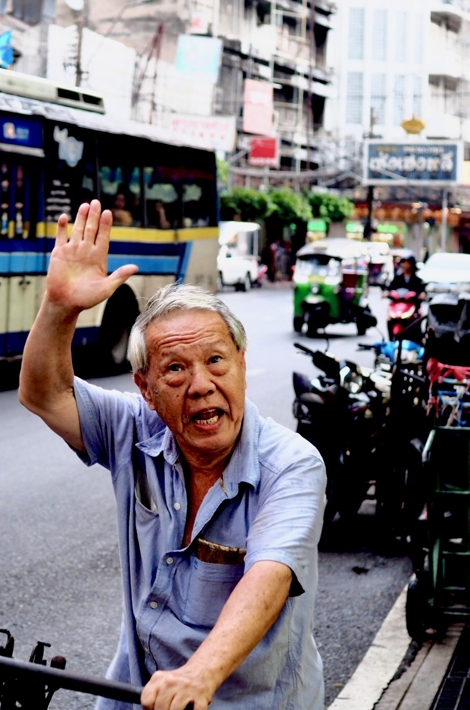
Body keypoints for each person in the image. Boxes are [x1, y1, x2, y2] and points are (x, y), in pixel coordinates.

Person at [19, 200, 326, 710]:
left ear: (243, 365)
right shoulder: (135, 428)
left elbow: (269, 576)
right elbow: (44, 395)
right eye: (176, 370)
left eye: (215, 361)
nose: (201, 385)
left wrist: (199, 676)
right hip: (134, 696)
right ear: (146, 387)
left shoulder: (291, 464)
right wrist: (60, 306)